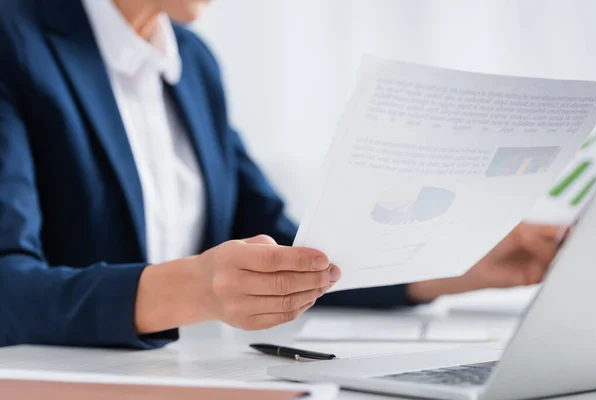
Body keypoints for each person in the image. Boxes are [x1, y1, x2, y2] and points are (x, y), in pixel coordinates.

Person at [0, 0, 562, 349]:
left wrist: (462, 261)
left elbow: (290, 250)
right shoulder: (13, 38)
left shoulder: (192, 62)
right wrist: (192, 289)